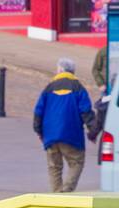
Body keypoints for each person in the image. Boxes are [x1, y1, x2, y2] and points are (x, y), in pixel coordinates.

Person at [34, 57, 94, 194]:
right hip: (71, 134)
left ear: (60, 70)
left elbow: (38, 111)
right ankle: (66, 191)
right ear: (73, 72)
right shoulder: (78, 88)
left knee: (54, 166)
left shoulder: (48, 88)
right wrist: (93, 130)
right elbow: (85, 111)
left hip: (50, 135)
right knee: (76, 162)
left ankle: (56, 194)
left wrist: (38, 130)